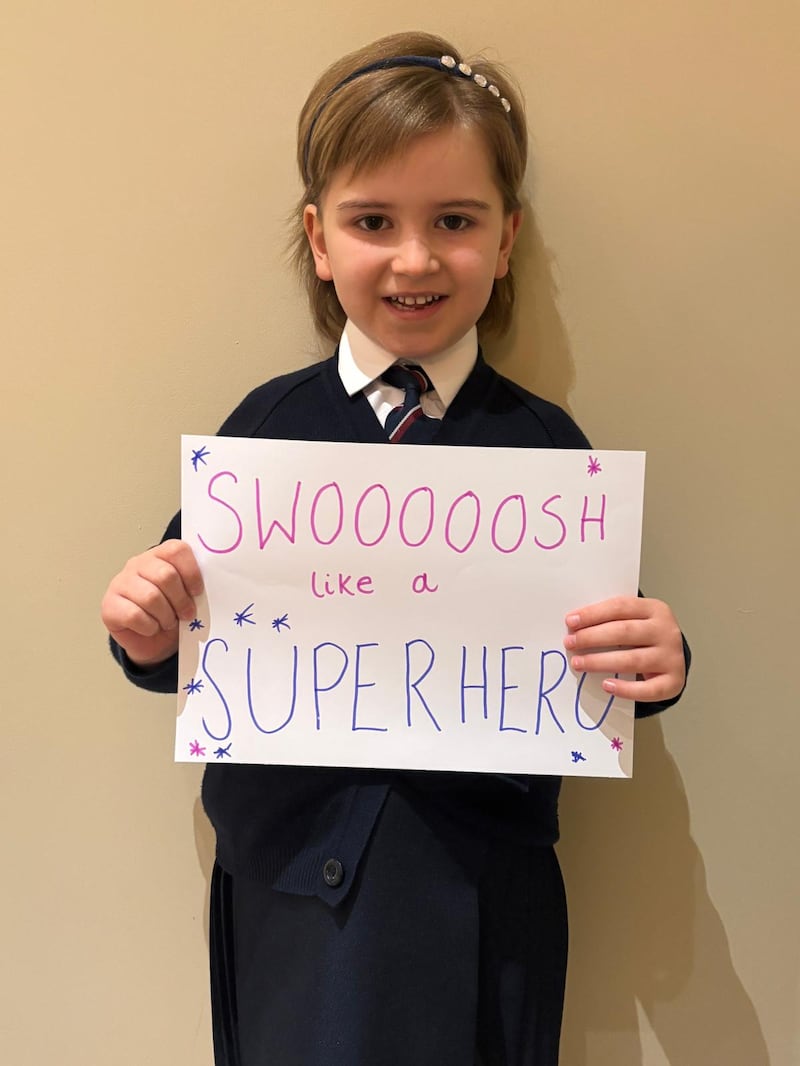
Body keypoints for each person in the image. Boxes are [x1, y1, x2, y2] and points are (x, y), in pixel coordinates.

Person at [101, 30, 690, 1066]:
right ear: (319, 240)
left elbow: (611, 659)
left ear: (504, 240)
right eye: (373, 221)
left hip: (479, 897)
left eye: (452, 222)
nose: (414, 259)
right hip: (289, 895)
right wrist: (144, 624)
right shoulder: (262, 432)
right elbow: (178, 638)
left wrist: (656, 662)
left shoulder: (543, 450)